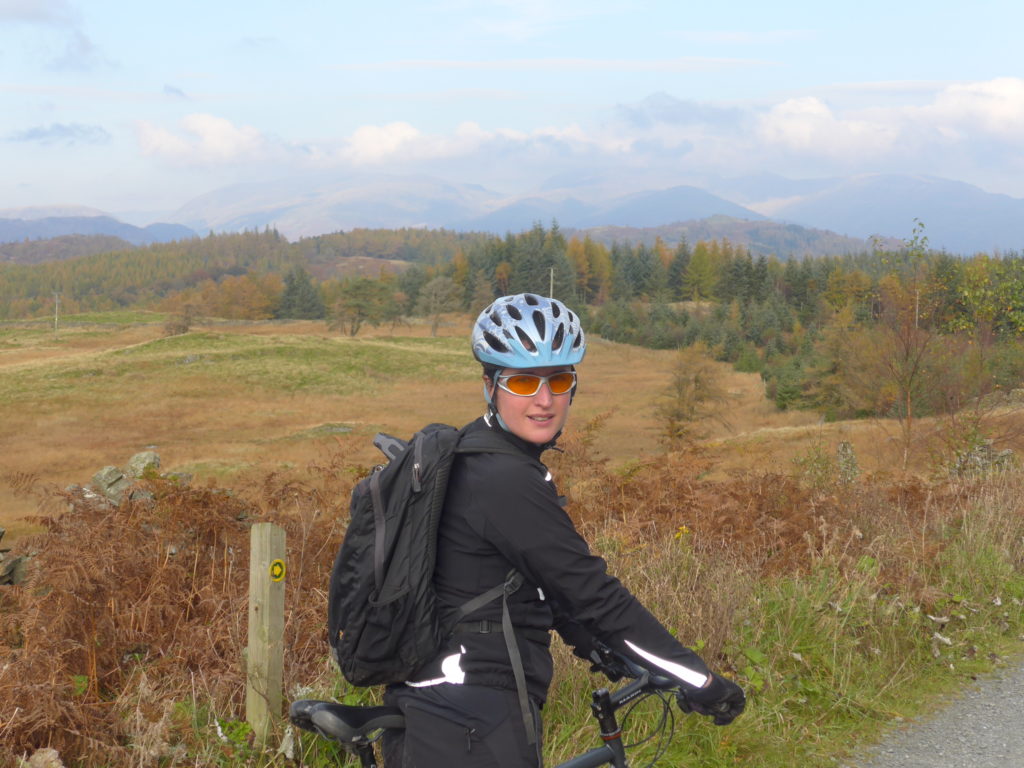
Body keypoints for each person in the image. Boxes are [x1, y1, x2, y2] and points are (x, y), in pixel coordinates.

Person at [382, 293, 744, 767]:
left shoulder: (482, 456)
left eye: (559, 380)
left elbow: (529, 582)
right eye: (524, 382)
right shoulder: (502, 479)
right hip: (469, 722)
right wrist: (701, 681)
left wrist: (594, 647)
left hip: (446, 706)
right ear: (489, 385)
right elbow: (593, 592)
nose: (545, 399)